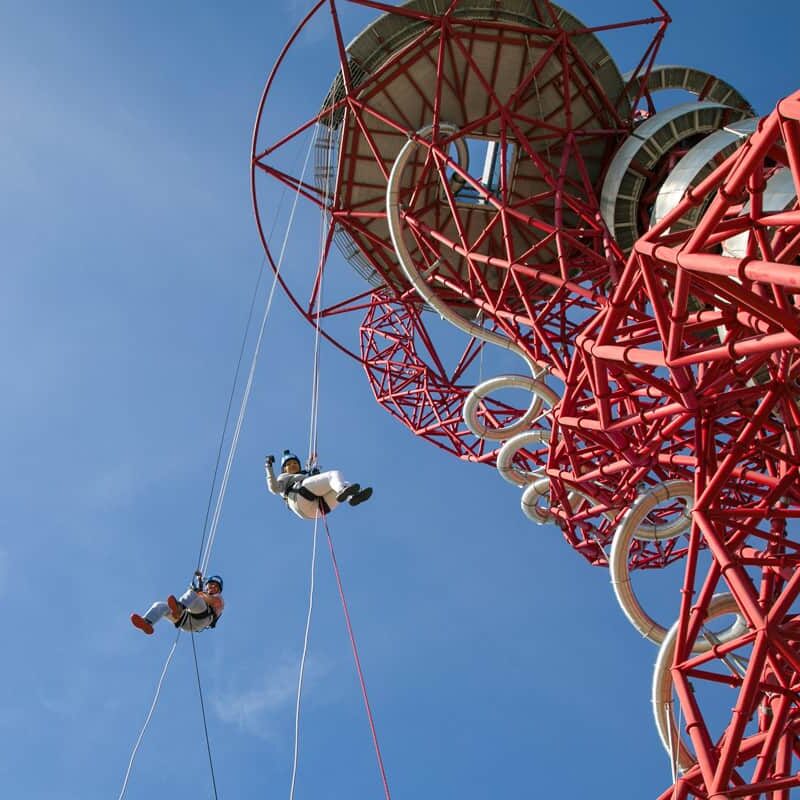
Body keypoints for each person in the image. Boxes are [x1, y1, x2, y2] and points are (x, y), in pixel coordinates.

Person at [265, 450, 372, 520]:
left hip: (315, 511)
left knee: (345, 483)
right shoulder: (284, 477)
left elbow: (313, 478)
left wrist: (312, 471)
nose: (292, 465)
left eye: (295, 463)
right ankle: (343, 491)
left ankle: (352, 497)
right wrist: (268, 466)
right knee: (334, 474)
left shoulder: (305, 476)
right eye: (288, 464)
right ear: (284, 469)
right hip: (298, 495)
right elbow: (274, 488)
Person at [131, 572, 224, 635]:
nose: (213, 587)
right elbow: (200, 595)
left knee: (192, 593)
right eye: (211, 584)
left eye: (216, 586)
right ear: (206, 585)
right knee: (160, 606)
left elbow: (210, 600)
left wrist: (198, 591)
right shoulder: (200, 593)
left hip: (202, 619)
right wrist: (199, 581)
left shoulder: (219, 599)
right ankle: (147, 622)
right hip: (186, 622)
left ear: (219, 590)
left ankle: (179, 608)